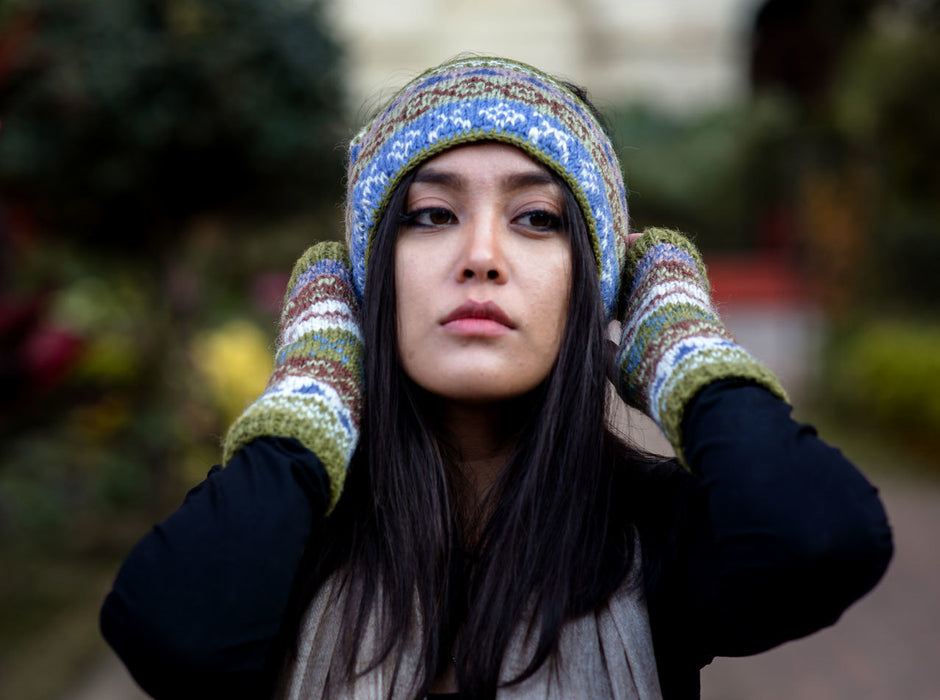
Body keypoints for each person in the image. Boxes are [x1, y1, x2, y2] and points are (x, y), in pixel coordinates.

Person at [100, 56, 892, 699]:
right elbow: (173, 636)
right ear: (370, 282)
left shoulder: (652, 536)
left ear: (594, 286)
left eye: (537, 219)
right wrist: (320, 385)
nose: (481, 255)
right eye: (431, 215)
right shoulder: (290, 530)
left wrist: (675, 339)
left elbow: (824, 539)